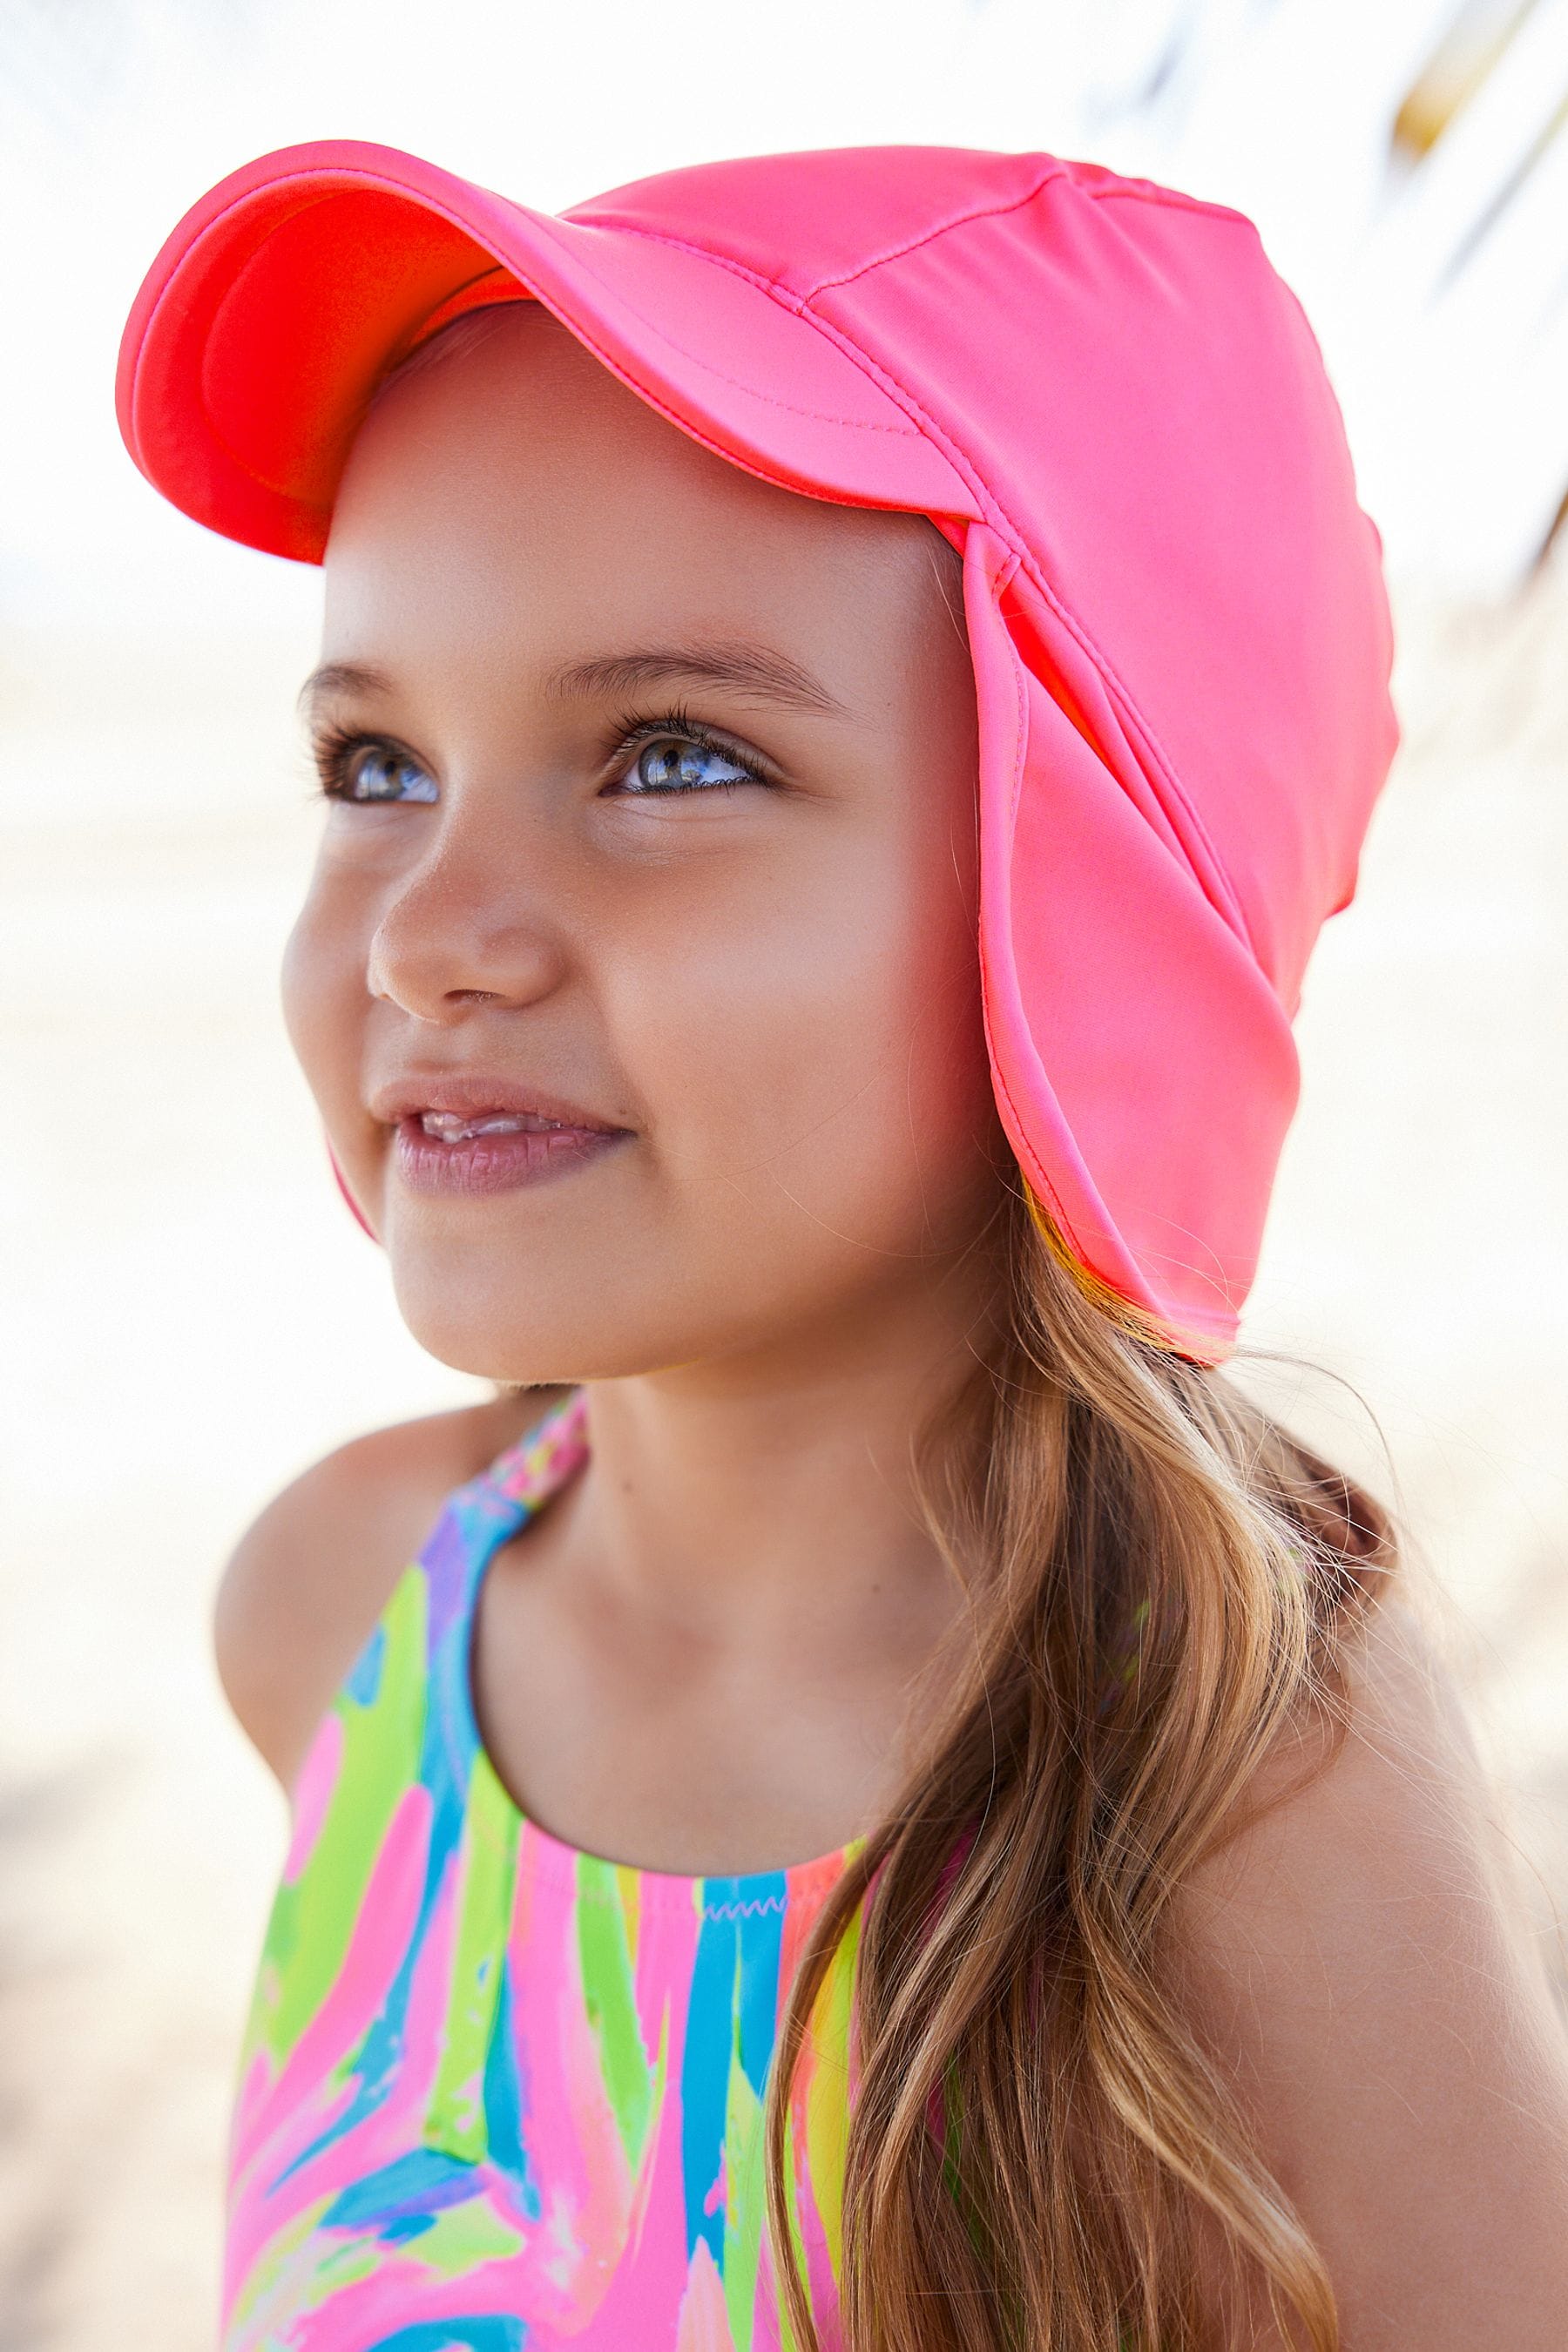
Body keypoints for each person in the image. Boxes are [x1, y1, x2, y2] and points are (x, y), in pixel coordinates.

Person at [117, 140, 1568, 2352]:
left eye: (671, 760)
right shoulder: (338, 1623)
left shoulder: (1228, 1768)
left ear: (1083, 905)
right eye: (380, 764)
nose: (431, 937)